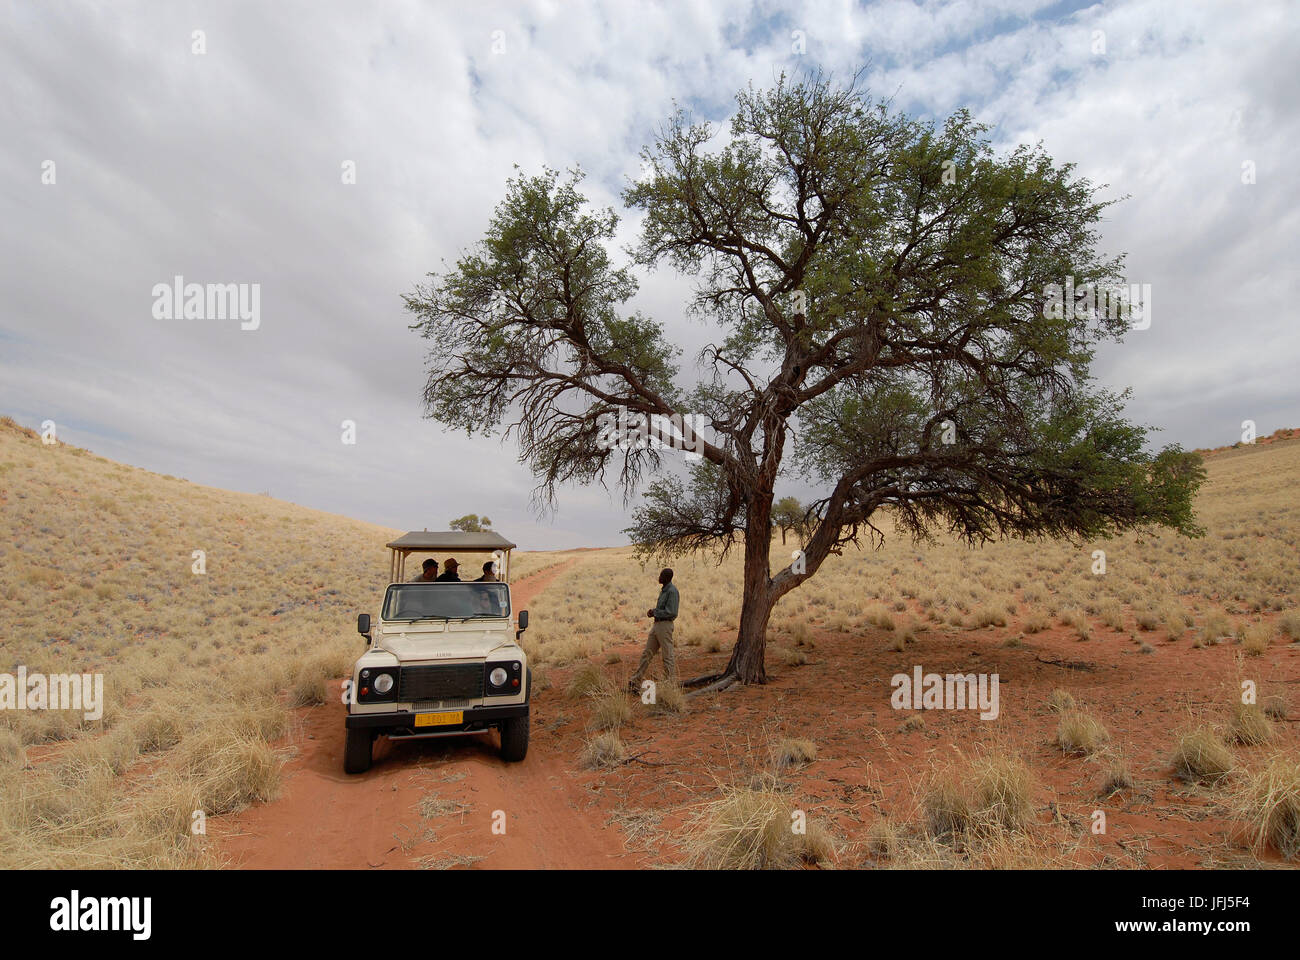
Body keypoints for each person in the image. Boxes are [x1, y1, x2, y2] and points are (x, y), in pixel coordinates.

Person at [628, 568, 679, 693]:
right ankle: (635, 681)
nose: (659, 577)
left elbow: (672, 612)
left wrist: (654, 611)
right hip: (657, 625)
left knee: (667, 655)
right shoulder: (664, 590)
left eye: (661, 575)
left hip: (665, 626)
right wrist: (654, 612)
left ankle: (670, 683)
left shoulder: (672, 591)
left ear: (667, 578)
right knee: (647, 653)